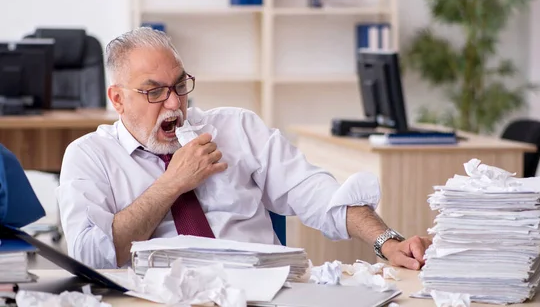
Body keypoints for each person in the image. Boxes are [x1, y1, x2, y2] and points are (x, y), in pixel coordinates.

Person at [56, 27, 432, 270]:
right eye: (154, 92)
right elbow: (91, 256)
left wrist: (387, 241)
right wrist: (172, 183)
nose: (174, 105)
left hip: (263, 296)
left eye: (180, 86)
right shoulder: (88, 157)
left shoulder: (236, 127)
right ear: (118, 100)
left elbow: (317, 192)